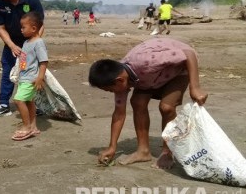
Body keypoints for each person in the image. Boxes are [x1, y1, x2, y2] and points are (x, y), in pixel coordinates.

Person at [88, 38, 208, 169]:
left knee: (167, 107)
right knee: (137, 102)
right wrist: (112, 147)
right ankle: (143, 151)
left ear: (119, 81)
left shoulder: (146, 61)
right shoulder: (122, 78)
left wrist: (195, 87)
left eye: (110, 90)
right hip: (151, 76)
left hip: (180, 69)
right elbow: (119, 114)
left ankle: (167, 153)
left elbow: (188, 53)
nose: (112, 93)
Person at [0, 0, 45, 118]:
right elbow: (1, 28)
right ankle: (4, 104)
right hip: (11, 45)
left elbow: (40, 24)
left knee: (31, 73)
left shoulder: (31, 1)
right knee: (8, 71)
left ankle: (34, 103)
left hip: (30, 44)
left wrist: (33, 43)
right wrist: (12, 46)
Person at [11, 12, 48, 141]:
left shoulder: (38, 43)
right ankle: (33, 126)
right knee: (29, 101)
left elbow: (43, 61)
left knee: (18, 100)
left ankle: (26, 127)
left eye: (23, 27)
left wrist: (40, 77)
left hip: (31, 78)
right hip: (24, 77)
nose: (21, 30)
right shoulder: (27, 42)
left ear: (33, 28)